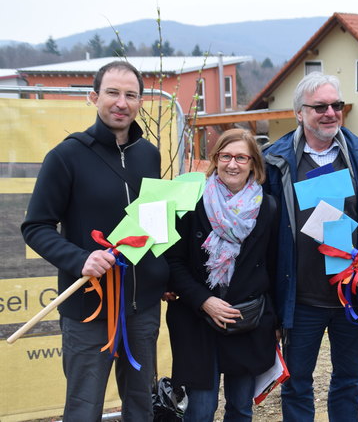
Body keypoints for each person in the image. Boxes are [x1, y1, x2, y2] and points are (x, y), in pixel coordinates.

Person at [21, 61, 169, 421]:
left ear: (140, 102)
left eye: (131, 95)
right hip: (89, 308)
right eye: (113, 93)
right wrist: (79, 259)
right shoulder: (66, 156)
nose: (122, 102)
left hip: (142, 308)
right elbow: (36, 226)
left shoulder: (149, 154)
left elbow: (154, 221)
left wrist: (163, 276)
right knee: (84, 409)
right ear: (93, 97)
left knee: (141, 406)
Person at [262, 72, 358, 421]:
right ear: (299, 113)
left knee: (348, 382)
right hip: (300, 299)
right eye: (319, 106)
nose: (330, 113)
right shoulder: (274, 162)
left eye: (336, 105)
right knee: (296, 384)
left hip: (353, 296)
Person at [165, 129, 279, 421]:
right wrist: (205, 301)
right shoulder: (192, 202)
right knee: (201, 410)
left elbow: (275, 265)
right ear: (215, 160)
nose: (233, 164)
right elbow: (174, 263)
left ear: (254, 163)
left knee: (240, 408)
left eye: (242, 157)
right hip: (197, 318)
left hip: (245, 320)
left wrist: (277, 322)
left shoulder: (267, 207)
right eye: (225, 156)